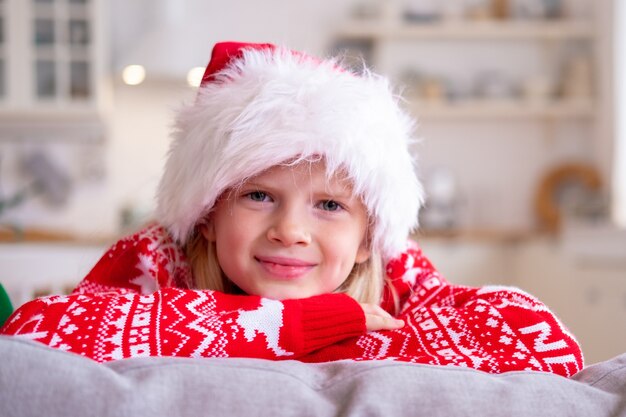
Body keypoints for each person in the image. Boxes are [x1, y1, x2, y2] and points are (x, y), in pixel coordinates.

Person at [0, 42, 583, 376]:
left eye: (329, 204)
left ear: (366, 238)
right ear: (207, 213)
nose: (291, 230)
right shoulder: (160, 256)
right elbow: (30, 337)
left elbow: (538, 342)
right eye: (258, 196)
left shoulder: (396, 273)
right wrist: (301, 327)